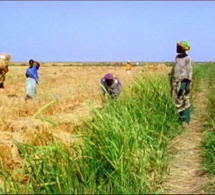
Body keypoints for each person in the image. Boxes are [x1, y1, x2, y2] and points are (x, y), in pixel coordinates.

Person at [169, 41, 193, 125]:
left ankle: (186, 119)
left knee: (184, 98)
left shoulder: (187, 58)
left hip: (183, 82)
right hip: (175, 82)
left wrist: (186, 84)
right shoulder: (177, 57)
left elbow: (189, 71)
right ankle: (179, 119)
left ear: (182, 48)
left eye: (178, 47)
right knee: (175, 99)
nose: (176, 49)